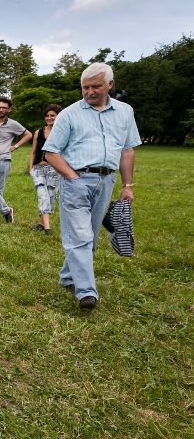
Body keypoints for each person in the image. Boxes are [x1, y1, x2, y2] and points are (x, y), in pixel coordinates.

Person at [42, 63, 141, 310]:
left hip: (106, 180)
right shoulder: (69, 114)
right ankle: (86, 291)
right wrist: (72, 178)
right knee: (80, 235)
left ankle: (67, 277)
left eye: (96, 86)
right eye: (85, 87)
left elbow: (127, 150)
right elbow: (50, 153)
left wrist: (127, 185)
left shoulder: (125, 112)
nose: (89, 92)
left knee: (90, 237)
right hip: (76, 180)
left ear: (110, 84)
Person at [28, 104, 63, 235]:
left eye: (52, 115)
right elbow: (33, 152)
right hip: (38, 168)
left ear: (58, 117)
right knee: (43, 195)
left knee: (51, 196)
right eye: (47, 116)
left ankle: (41, 222)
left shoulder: (63, 132)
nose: (49, 118)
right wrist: (30, 168)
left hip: (55, 169)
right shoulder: (39, 132)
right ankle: (48, 228)